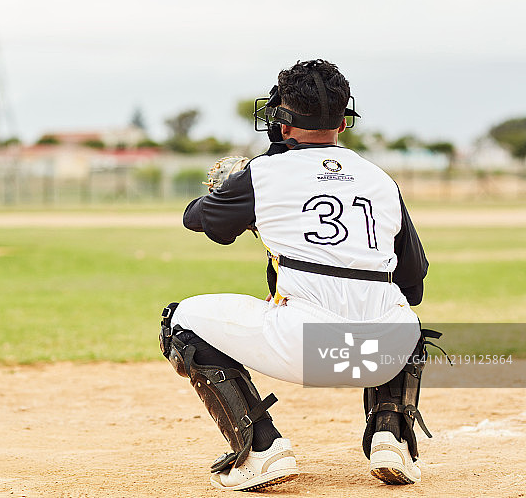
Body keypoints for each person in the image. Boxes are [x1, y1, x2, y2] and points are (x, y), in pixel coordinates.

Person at [159, 59, 434, 491]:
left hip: (304, 349)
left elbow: (197, 219)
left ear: (281, 122)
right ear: (343, 122)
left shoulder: (264, 173)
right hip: (382, 355)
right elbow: (413, 282)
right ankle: (392, 437)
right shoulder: (381, 180)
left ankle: (261, 450)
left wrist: (233, 189)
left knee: (180, 321)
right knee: (404, 319)